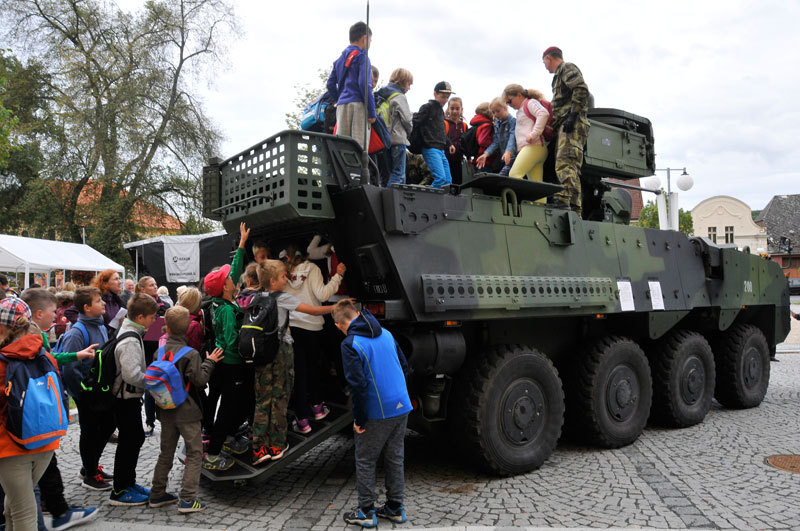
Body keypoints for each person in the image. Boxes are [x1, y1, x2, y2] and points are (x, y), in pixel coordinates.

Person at [21, 288, 99, 530]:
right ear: (38, 313)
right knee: (37, 470)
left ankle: (56, 509)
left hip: (35, 416)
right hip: (33, 416)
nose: (58, 316)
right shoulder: (30, 340)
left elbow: (52, 358)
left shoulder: (37, 337)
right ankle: (55, 511)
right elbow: (46, 364)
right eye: (54, 312)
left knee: (43, 467)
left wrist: (76, 354)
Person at [333, 300, 411, 528]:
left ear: (339, 325)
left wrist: (359, 419)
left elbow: (357, 385)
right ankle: (396, 508)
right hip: (401, 403)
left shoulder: (350, 344)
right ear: (358, 313)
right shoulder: (386, 332)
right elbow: (404, 366)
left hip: (378, 409)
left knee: (365, 460)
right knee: (395, 456)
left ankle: (366, 512)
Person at [251, 260, 335, 465]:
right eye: (282, 277)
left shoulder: (256, 297)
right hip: (280, 352)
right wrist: (337, 306)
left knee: (263, 401)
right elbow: (313, 311)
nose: (286, 279)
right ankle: (277, 446)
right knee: (280, 397)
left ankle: (260, 448)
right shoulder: (282, 297)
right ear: (273, 280)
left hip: (261, 354)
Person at [149, 306, 223, 514]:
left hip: (165, 410)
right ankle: (188, 499)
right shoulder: (190, 353)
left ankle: (157, 493)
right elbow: (199, 380)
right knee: (195, 451)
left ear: (167, 328)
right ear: (187, 329)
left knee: (166, 452)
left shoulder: (159, 351)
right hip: (187, 411)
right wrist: (210, 362)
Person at [0, 297, 60, 531]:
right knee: (14, 504)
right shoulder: (44, 353)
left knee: (23, 511)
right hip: (45, 440)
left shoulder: (3, 361)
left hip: (10, 445)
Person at [283, 244, 346, 434]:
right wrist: (338, 275)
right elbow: (323, 294)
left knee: (300, 373)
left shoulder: (284, 274)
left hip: (293, 328)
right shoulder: (313, 269)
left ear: (289, 258)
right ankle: (318, 409)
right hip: (312, 327)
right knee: (314, 368)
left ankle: (302, 420)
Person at [202, 223, 250, 471]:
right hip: (231, 364)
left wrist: (241, 244)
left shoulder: (219, 301)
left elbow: (235, 270)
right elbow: (233, 341)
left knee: (231, 405)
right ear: (225, 288)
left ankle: (230, 437)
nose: (232, 278)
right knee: (229, 408)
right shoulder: (229, 312)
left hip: (221, 362)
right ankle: (213, 453)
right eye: (228, 279)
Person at [57, 287, 115, 491]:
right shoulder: (76, 332)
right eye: (98, 301)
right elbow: (69, 368)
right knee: (90, 432)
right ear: (86, 307)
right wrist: (81, 394)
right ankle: (90, 474)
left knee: (105, 428)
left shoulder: (99, 325)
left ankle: (89, 466)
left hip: (100, 391)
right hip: (87, 393)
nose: (104, 304)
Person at [109, 293, 158, 506]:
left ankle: (128, 482)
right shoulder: (130, 338)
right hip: (125, 398)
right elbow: (131, 375)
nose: (154, 321)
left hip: (127, 397)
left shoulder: (132, 331)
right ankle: (120, 490)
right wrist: (151, 383)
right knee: (130, 441)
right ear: (139, 317)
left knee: (134, 439)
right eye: (151, 317)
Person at [543, 46, 591, 214]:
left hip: (572, 124)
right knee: (572, 167)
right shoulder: (558, 76)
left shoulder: (566, 68)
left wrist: (573, 115)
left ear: (549, 58)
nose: (545, 66)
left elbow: (581, 89)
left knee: (565, 162)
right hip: (566, 123)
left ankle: (563, 200)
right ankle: (575, 207)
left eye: (545, 62)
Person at [326, 21, 376, 151]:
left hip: (342, 107)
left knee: (342, 148)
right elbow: (364, 84)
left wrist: (340, 98)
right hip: (359, 106)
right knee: (359, 149)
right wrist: (371, 112)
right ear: (365, 38)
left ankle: (343, 172)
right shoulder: (362, 57)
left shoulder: (339, 60)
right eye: (370, 40)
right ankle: (357, 172)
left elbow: (330, 84)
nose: (370, 43)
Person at [135, 276, 170, 436]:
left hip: (161, 348)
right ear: (142, 289)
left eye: (155, 284)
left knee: (162, 384)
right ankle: (149, 422)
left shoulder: (164, 305)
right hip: (145, 350)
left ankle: (166, 419)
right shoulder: (136, 305)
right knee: (149, 386)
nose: (155, 287)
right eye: (151, 285)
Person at [504, 84, 551, 190]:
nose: (509, 105)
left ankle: (518, 203)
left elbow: (543, 113)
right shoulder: (522, 109)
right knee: (536, 185)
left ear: (519, 95)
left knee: (514, 175)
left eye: (509, 101)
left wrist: (533, 134)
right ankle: (539, 205)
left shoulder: (530, 103)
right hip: (535, 148)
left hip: (533, 147)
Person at [413, 82, 456, 188]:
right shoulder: (427, 107)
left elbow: (440, 131)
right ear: (435, 94)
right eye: (443, 97)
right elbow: (415, 122)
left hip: (441, 149)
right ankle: (428, 200)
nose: (445, 100)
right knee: (440, 179)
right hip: (430, 148)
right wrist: (418, 141)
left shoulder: (441, 112)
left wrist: (449, 143)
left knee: (448, 181)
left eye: (447, 97)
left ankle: (441, 202)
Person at [378, 68, 413, 188]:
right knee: (398, 174)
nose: (409, 88)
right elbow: (407, 120)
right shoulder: (400, 97)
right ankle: (392, 203)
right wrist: (409, 132)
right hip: (398, 139)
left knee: (388, 174)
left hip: (384, 139)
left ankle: (384, 199)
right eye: (409, 84)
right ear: (403, 82)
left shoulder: (382, 93)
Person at [475, 97, 516, 175]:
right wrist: (486, 154)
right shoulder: (497, 123)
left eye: (498, 111)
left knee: (501, 176)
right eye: (493, 112)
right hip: (502, 157)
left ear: (505, 108)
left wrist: (508, 152)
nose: (496, 114)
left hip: (512, 156)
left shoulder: (512, 122)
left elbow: (512, 138)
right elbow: (496, 142)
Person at [444, 97, 468, 185]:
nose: (454, 111)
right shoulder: (444, 123)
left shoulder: (464, 126)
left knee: (457, 185)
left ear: (461, 109)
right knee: (446, 184)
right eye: (452, 108)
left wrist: (469, 159)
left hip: (458, 161)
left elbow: (466, 144)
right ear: (448, 109)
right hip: (445, 160)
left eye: (457, 109)